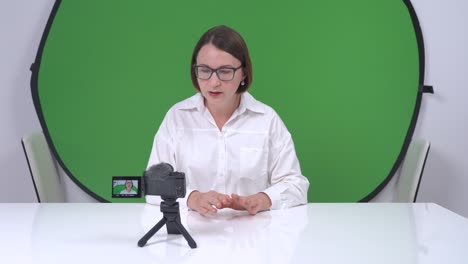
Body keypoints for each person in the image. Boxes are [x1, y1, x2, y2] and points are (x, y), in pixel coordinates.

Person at [147, 25, 309, 215]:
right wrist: (193, 198)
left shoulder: (267, 120)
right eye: (205, 70)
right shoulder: (177, 117)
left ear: (244, 73)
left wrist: (263, 199)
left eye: (225, 71)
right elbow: (153, 184)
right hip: (191, 234)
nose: (214, 82)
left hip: (255, 235)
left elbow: (296, 186)